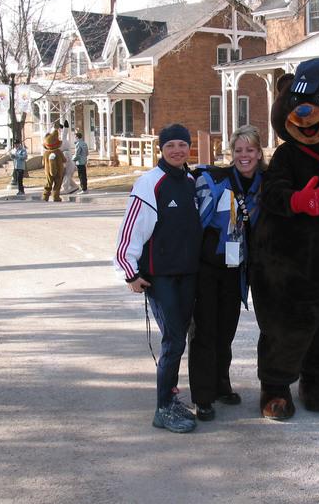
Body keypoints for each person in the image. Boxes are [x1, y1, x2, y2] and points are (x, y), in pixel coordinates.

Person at [114, 124, 203, 434]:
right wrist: (130, 272)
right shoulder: (150, 183)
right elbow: (131, 231)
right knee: (173, 339)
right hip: (159, 277)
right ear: (161, 149)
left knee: (180, 339)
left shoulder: (191, 181)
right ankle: (162, 408)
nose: (177, 150)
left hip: (188, 273)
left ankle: (172, 397)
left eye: (183, 144)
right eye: (171, 145)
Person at [189, 125, 264, 421]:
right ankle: (203, 397)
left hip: (236, 270)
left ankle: (221, 384)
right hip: (208, 269)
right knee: (205, 331)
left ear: (259, 153)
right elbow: (194, 222)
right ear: (231, 154)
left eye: (250, 150)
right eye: (238, 150)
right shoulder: (214, 181)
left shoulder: (264, 185)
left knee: (226, 331)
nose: (244, 156)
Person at [60, 121, 79, 195]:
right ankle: (75, 186)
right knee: (68, 177)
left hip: (69, 166)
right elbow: (64, 135)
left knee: (66, 176)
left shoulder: (65, 152)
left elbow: (65, 161)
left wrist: (62, 165)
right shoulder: (66, 151)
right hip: (71, 165)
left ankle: (65, 188)